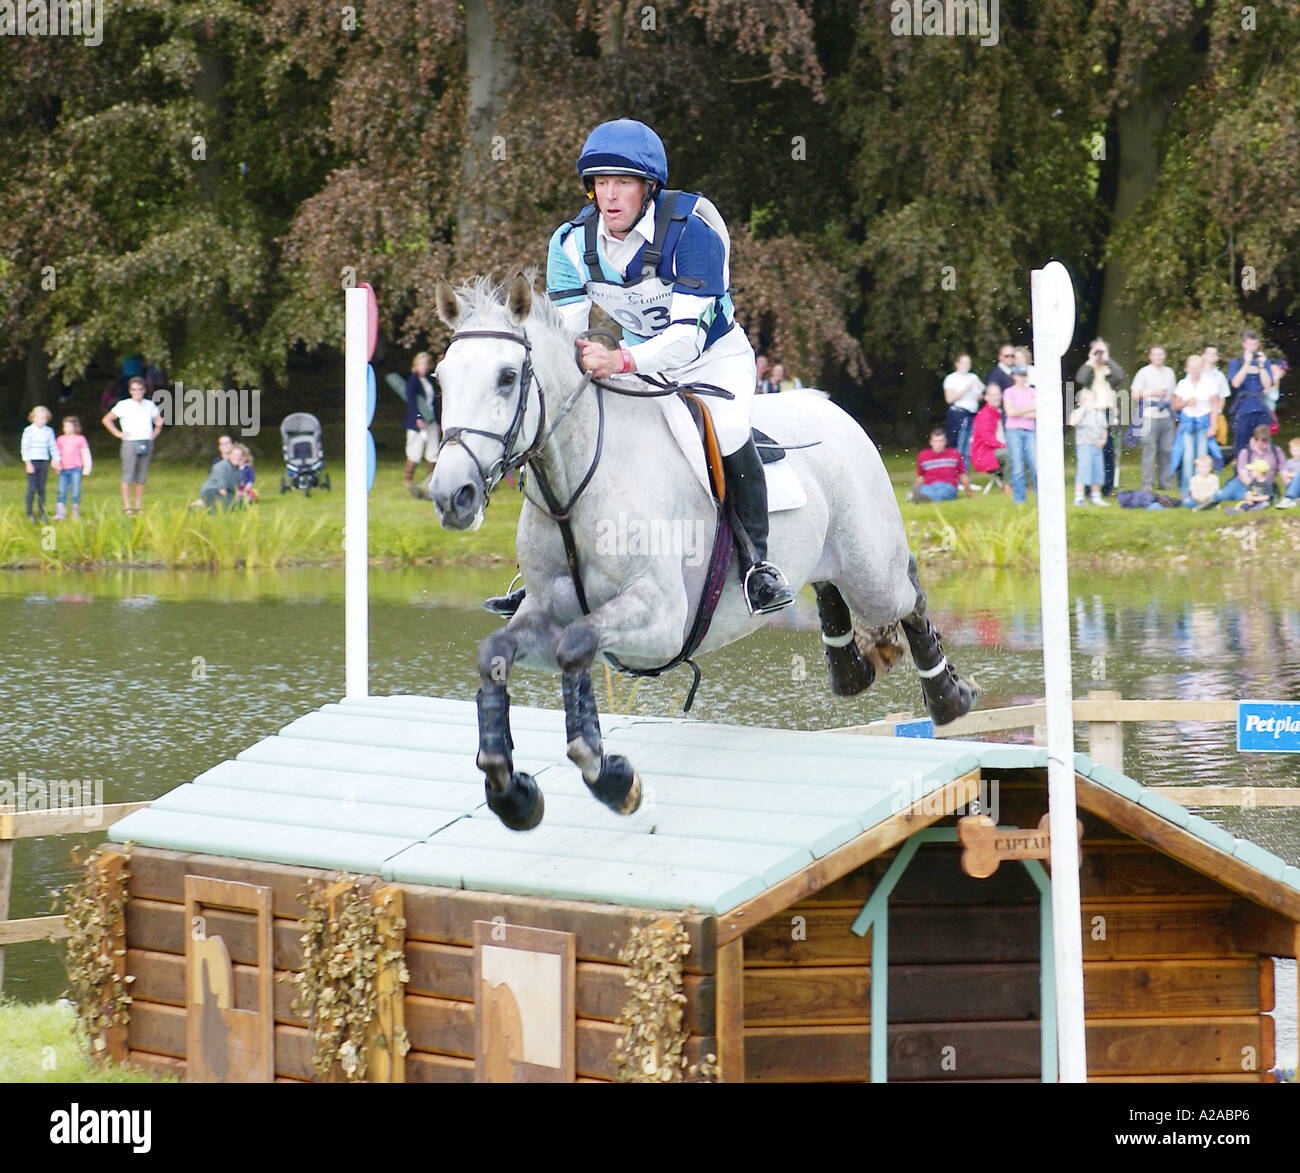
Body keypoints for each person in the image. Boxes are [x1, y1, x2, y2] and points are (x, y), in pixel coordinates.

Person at [525, 117, 792, 616]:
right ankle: (546, 563)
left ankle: (759, 564)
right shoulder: (568, 245)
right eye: (601, 183)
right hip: (639, 359)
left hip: (712, 359)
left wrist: (619, 358)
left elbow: (684, 341)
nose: (610, 196)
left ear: (648, 189)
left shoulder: (692, 231)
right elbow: (566, 334)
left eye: (623, 183)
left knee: (727, 429)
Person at [101, 375, 163, 515]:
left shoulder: (149, 405)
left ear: (144, 390)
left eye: (140, 389)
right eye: (134, 389)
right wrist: (118, 433)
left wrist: (154, 433)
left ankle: (138, 506)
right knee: (128, 475)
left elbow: (159, 420)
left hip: (145, 442)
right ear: (130, 391)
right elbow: (107, 420)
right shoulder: (124, 405)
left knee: (141, 476)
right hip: (130, 442)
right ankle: (127, 507)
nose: (137, 392)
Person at [1074, 339, 1125, 496]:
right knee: (1091, 450)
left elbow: (1120, 376)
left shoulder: (1108, 369)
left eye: (1102, 351)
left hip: (1107, 412)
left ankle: (1106, 487)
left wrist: (1107, 359)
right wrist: (1091, 360)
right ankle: (1089, 488)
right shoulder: (1088, 370)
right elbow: (1080, 379)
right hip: (1091, 412)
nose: (1099, 355)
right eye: (1097, 351)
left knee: (1108, 450)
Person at [1195, 425, 1285, 510]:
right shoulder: (1246, 452)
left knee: (1255, 500)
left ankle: (1239, 502)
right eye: (1262, 441)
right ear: (1255, 439)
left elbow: (1283, 470)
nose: (1264, 445)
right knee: (1223, 495)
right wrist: (1253, 487)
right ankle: (1199, 507)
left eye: (1266, 441)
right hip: (1241, 483)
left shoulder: (1276, 451)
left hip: (1263, 487)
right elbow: (1243, 474)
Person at [1171, 353, 1219, 494]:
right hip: (1188, 423)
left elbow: (1214, 406)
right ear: (1187, 369)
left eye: (1198, 368)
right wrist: (1186, 402)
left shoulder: (1209, 383)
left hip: (1203, 423)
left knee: (1202, 457)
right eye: (1192, 368)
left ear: (1202, 368)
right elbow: (1175, 405)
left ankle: (1204, 491)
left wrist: (1213, 425)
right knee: (1187, 457)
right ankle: (1186, 492)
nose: (1195, 371)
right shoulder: (1183, 384)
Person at [1130, 345, 1177, 491]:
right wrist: (1153, 393)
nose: (1159, 357)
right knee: (1149, 450)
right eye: (1155, 354)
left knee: (1167, 450)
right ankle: (1147, 484)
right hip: (1149, 415)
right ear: (1150, 356)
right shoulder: (1143, 372)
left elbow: (1174, 395)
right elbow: (1135, 394)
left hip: (1166, 415)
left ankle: (1165, 483)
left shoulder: (1169, 372)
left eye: (1161, 354)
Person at [1226, 330, 1274, 460]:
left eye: (1254, 344)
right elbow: (1235, 383)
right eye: (1249, 344)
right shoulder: (1236, 362)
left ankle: (1262, 475)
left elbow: (1267, 385)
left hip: (1260, 409)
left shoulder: (1264, 361)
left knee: (1263, 444)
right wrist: (1246, 364)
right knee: (1241, 447)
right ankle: (1240, 475)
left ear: (1257, 344)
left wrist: (1262, 367)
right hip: (1243, 409)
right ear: (1243, 344)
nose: (1252, 348)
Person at [404, 352, 440, 498]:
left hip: (431, 420)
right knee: (415, 450)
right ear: (416, 364)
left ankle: (432, 480)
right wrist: (417, 417)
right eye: (421, 364)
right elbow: (411, 401)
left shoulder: (428, 381)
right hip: (417, 422)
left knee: (433, 450)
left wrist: (437, 421)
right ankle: (407, 480)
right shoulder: (412, 380)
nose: (423, 367)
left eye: (425, 364)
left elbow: (434, 403)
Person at [1068, 386, 1109, 506]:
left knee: (1097, 471)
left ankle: (1095, 496)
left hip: (1097, 446)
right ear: (1080, 402)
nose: (1089, 402)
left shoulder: (1099, 414)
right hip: (1084, 446)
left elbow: (1104, 428)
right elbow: (1073, 423)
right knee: (1083, 470)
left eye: (1091, 400)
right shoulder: (1077, 412)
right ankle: (1078, 497)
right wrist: (1082, 409)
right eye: (1086, 400)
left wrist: (1103, 440)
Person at [909, 427, 972, 502]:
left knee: (944, 492)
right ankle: (928, 498)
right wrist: (915, 488)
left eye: (941, 441)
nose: (938, 444)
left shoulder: (954, 453)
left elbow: (962, 475)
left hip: (948, 486)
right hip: (930, 486)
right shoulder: (922, 455)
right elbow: (921, 477)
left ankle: (926, 499)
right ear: (931, 442)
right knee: (924, 490)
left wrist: (970, 494)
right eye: (936, 441)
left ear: (945, 442)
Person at [942, 353, 983, 469]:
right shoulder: (951, 378)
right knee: (957, 446)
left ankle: (965, 477)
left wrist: (980, 388)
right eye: (963, 363)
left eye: (968, 363)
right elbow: (949, 399)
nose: (966, 366)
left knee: (967, 448)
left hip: (972, 415)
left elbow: (980, 396)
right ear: (957, 364)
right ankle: (954, 476)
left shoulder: (973, 377)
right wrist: (967, 388)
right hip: (958, 414)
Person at [1003, 364, 1037, 504]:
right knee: (1017, 466)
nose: (1022, 378)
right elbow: (1010, 412)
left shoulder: (1033, 391)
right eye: (1019, 375)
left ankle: (1041, 497)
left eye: (1024, 375)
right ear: (1014, 376)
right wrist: (1028, 409)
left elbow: (1036, 413)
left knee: (1035, 464)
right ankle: (1019, 500)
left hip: (1029, 430)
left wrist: (1019, 410)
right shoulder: (1009, 392)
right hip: (1013, 431)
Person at [21, 405, 59, 523]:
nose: (42, 421)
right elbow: (24, 448)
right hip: (32, 461)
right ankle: (29, 513)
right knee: (32, 488)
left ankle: (42, 512)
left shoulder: (48, 431)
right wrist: (27, 463)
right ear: (34, 418)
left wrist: (56, 459)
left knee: (42, 488)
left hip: (43, 461)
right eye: (40, 418)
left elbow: (53, 446)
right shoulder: (29, 431)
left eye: (44, 418)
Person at [969, 384, 1011, 491]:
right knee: (1010, 453)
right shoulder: (985, 414)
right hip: (983, 452)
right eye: (993, 395)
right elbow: (988, 439)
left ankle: (1026, 485)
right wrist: (1004, 445)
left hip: (991, 449)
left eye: (997, 395)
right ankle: (1007, 486)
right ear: (986, 397)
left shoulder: (997, 412)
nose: (996, 398)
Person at [54, 416, 92, 521]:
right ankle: (60, 512)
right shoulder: (60, 439)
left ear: (75, 427)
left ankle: (75, 511)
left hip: (76, 469)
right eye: (64, 426)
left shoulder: (80, 439)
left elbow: (85, 454)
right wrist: (56, 465)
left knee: (75, 491)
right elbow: (56, 454)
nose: (66, 429)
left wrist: (87, 468)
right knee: (61, 490)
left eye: (68, 426)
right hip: (63, 469)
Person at [196, 445, 242, 510]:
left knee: (240, 503)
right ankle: (198, 506)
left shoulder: (238, 470)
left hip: (226, 493)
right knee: (225, 507)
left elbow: (236, 487)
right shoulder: (221, 466)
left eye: (239, 455)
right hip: (212, 491)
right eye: (235, 455)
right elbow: (222, 486)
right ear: (229, 455)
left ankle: (203, 504)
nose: (237, 457)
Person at [1276, 436, 1300, 508]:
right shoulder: (1289, 462)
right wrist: (1294, 476)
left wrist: (1296, 475)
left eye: (1298, 450)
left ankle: (1290, 498)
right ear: (1290, 450)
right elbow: (1285, 474)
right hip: (1292, 484)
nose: (1297, 453)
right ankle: (1291, 498)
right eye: (1294, 450)